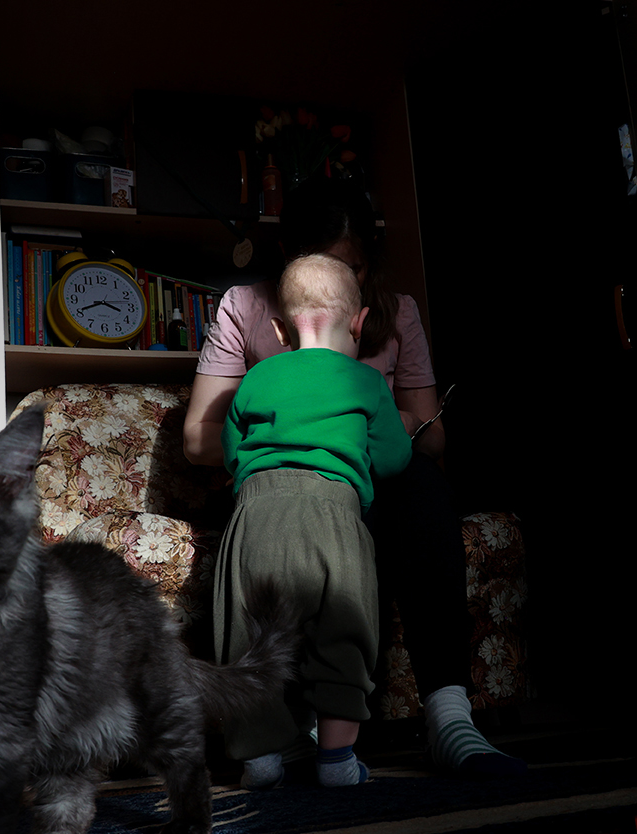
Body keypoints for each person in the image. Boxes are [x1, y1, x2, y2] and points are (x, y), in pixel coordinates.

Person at [184, 177, 526, 778]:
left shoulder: (395, 316)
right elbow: (197, 439)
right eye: (320, 263)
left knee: (422, 486)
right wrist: (319, 432)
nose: (337, 282)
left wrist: (365, 427)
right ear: (288, 255)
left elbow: (430, 440)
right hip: (284, 485)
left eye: (354, 269)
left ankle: (447, 716)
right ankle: (325, 743)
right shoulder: (246, 306)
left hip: (361, 490)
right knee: (331, 594)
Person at [214, 253, 412, 789]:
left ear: (280, 330)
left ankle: (260, 761)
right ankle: (337, 761)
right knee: (345, 634)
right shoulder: (366, 382)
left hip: (256, 516)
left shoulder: (256, 378)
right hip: (334, 517)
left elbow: (230, 451)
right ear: (359, 322)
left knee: (249, 643)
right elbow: (394, 459)